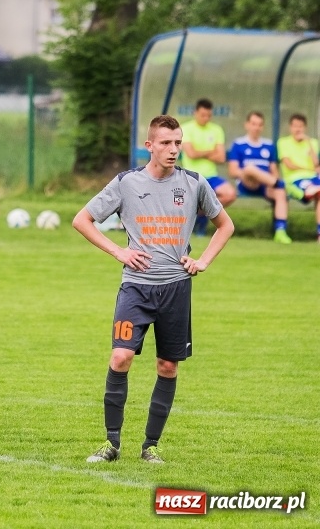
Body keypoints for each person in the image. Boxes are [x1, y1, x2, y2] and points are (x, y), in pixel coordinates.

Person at [73, 114, 234, 464]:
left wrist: (202, 261)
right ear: (149, 145)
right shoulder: (127, 183)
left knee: (167, 367)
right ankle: (111, 444)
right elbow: (81, 220)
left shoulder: (193, 183)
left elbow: (225, 225)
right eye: (165, 143)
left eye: (177, 142)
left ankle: (150, 447)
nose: (173, 149)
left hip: (176, 289)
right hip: (136, 289)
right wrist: (118, 251)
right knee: (120, 356)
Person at [227, 111, 292, 244]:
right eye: (254, 124)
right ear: (247, 125)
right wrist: (253, 173)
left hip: (266, 185)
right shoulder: (239, 144)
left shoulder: (268, 145)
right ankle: (282, 184)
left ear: (263, 127)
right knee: (250, 168)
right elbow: (233, 171)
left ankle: (280, 231)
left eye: (260, 125)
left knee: (279, 193)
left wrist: (267, 179)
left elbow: (274, 170)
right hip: (246, 183)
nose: (256, 127)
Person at [180, 98, 236, 235]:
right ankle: (196, 222)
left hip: (211, 176)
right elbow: (191, 154)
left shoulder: (216, 130)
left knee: (230, 194)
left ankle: (200, 216)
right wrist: (211, 151)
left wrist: (200, 152)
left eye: (209, 116)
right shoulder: (186, 128)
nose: (206, 118)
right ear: (195, 113)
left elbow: (221, 157)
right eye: (203, 115)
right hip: (191, 176)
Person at [276, 113, 320, 242]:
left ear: (305, 128)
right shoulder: (283, 142)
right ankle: (308, 191)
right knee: (316, 190)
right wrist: (310, 169)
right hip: (294, 180)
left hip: (313, 178)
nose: (298, 129)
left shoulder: (312, 143)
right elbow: (289, 165)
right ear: (290, 127)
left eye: (300, 126)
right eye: (295, 126)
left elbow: (316, 164)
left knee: (319, 194)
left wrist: (309, 144)